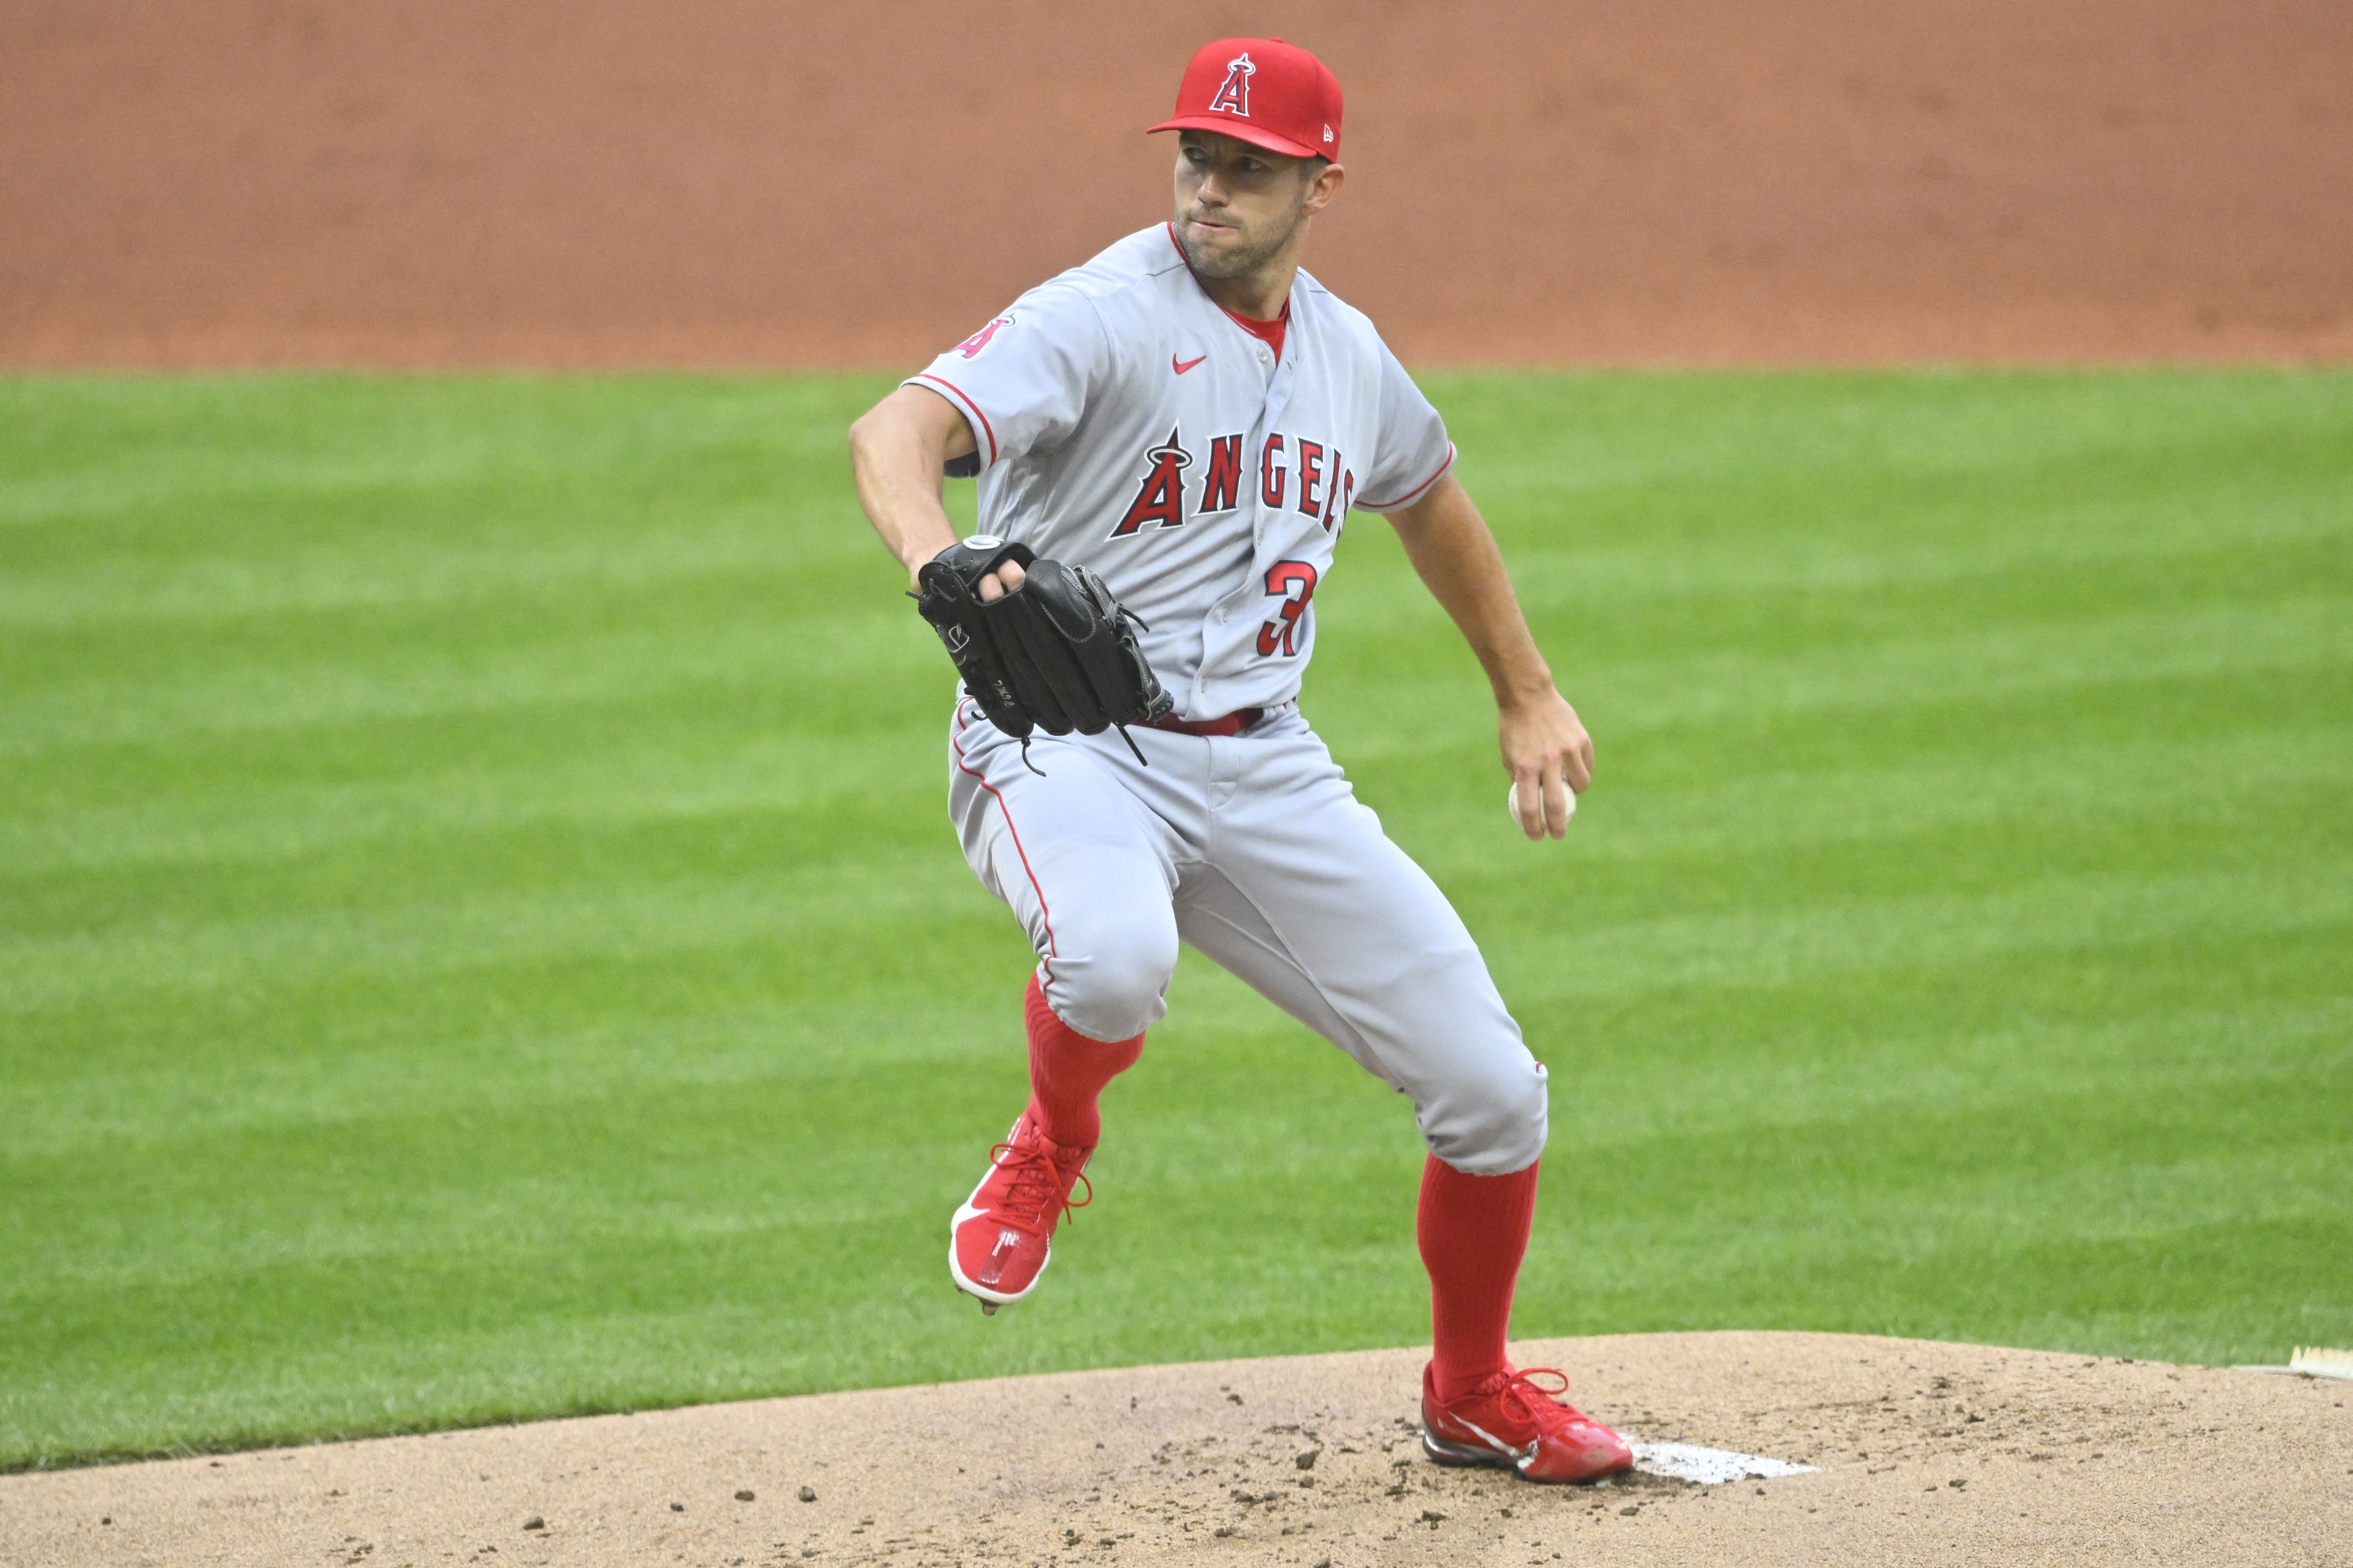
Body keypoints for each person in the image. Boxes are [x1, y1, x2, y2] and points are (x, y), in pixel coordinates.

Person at [847, 37, 1632, 1483]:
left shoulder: (1347, 354)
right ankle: (1053, 1135)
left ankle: (1471, 1391)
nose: (1210, 189)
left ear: (1321, 184)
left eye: (1248, 168)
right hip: (1064, 745)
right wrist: (935, 552)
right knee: (1111, 960)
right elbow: (897, 430)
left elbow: (1432, 496)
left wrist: (1526, 690)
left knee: (1495, 1093)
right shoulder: (1096, 314)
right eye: (1196, 157)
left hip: (1265, 764)